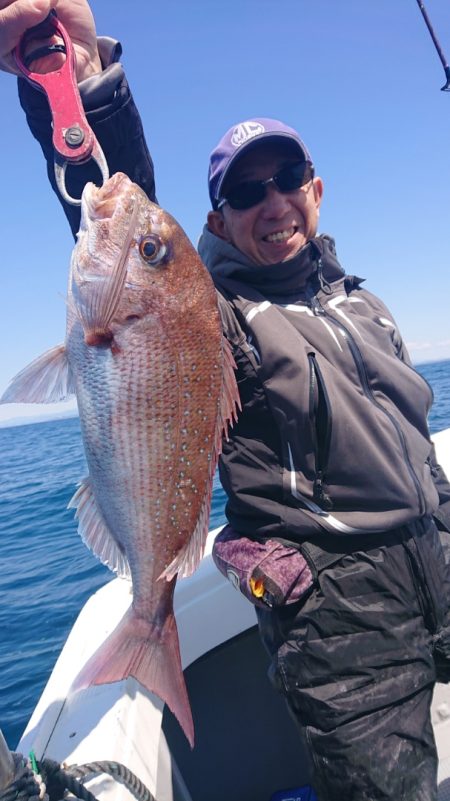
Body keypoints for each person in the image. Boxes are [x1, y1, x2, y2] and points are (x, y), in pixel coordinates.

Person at [2, 2, 450, 798]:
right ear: (216, 218)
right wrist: (76, 82)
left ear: (316, 190)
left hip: (438, 555)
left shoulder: (363, 304)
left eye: (285, 181)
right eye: (246, 191)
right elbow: (114, 189)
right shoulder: (215, 317)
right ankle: (150, 627)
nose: (271, 201)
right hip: (340, 619)